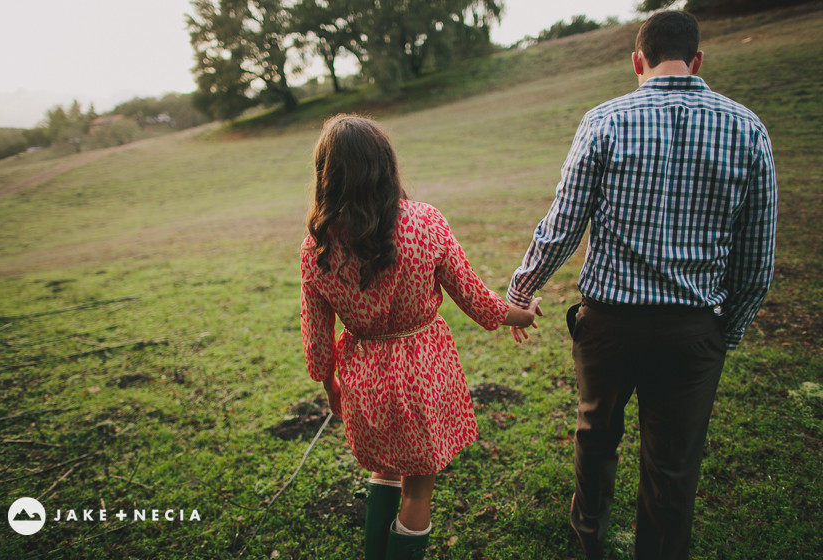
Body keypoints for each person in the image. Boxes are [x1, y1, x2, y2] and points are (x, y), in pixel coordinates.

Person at [506, 11, 777, 560]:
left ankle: (589, 542)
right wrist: (726, 332)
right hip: (693, 331)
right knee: (673, 466)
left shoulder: (604, 121)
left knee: (595, 438)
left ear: (637, 61)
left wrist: (520, 291)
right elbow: (757, 257)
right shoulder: (748, 129)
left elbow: (562, 226)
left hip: (608, 326)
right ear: (698, 60)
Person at [300, 114, 541, 560]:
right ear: (385, 165)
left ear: (326, 175)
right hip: (422, 373)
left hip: (363, 380)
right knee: (418, 489)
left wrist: (330, 385)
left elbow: (316, 347)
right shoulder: (426, 223)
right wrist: (520, 316)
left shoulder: (317, 249)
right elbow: (474, 298)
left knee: (386, 469)